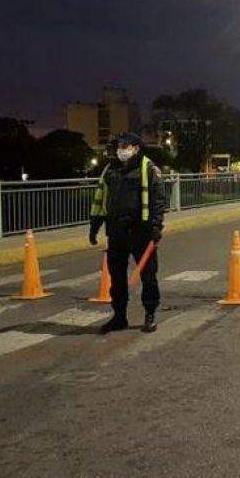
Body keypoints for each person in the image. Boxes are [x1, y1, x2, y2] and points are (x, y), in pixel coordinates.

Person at [89, 133, 166, 334]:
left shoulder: (148, 169)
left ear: (136, 148)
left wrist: (156, 226)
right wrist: (95, 225)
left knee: (148, 275)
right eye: (118, 146)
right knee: (117, 277)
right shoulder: (110, 169)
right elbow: (101, 198)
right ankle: (119, 316)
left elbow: (158, 201)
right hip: (116, 231)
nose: (120, 150)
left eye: (124, 146)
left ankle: (150, 314)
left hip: (141, 231)